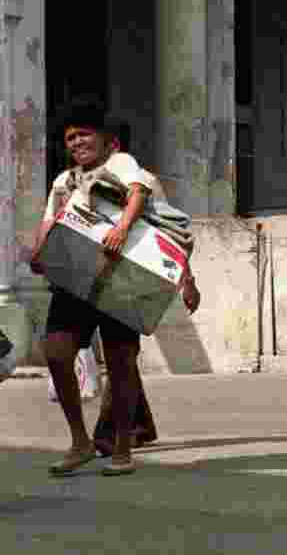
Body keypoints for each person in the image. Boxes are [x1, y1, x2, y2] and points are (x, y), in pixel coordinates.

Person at [28, 102, 162, 476]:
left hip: (119, 279)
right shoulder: (64, 181)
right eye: (70, 137)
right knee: (56, 352)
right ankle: (80, 442)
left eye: (84, 134)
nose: (76, 142)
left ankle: (121, 447)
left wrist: (121, 228)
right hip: (73, 279)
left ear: (108, 141)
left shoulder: (119, 163)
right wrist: (38, 254)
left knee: (121, 363)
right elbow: (49, 221)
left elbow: (138, 191)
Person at [91, 132, 201, 457]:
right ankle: (139, 426)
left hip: (134, 277)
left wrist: (188, 282)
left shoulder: (143, 180)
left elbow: (170, 234)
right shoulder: (89, 182)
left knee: (119, 355)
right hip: (104, 278)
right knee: (121, 356)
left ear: (114, 146)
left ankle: (107, 434)